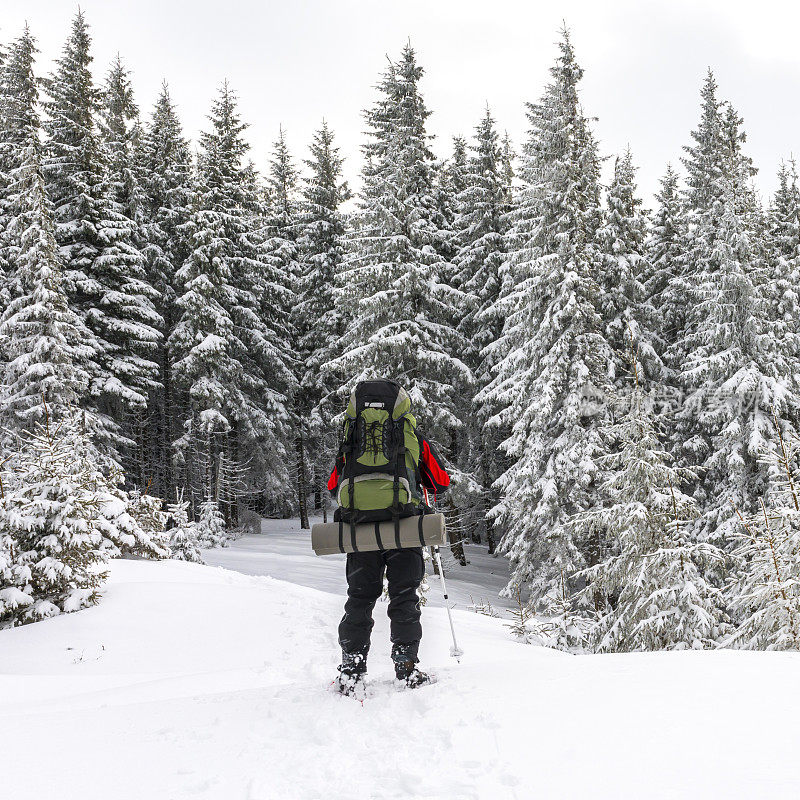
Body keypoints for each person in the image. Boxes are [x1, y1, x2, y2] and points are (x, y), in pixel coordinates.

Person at [326, 380, 450, 694]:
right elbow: (441, 482)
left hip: (362, 531)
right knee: (404, 598)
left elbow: (332, 486)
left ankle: (352, 671)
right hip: (404, 530)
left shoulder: (352, 439)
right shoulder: (412, 439)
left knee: (359, 599)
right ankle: (406, 668)